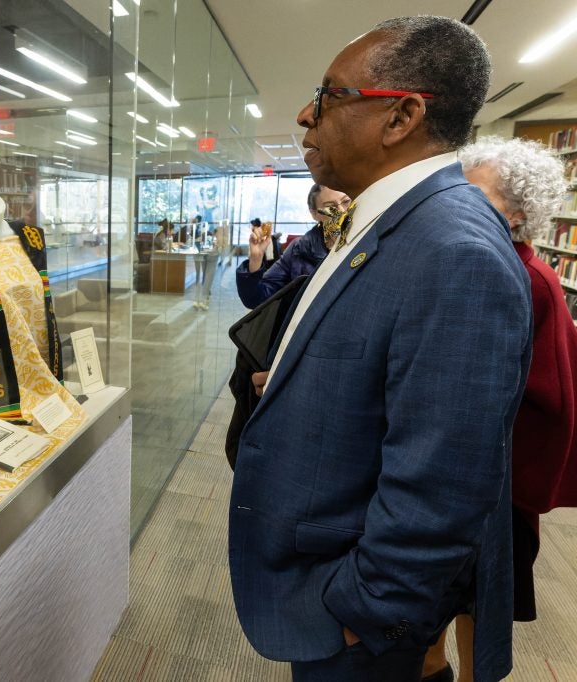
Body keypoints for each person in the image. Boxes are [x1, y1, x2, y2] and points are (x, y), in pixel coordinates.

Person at [228, 16, 532, 682]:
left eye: (330, 95)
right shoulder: (388, 221)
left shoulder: (454, 251)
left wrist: (364, 620)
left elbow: (444, 488)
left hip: (356, 625)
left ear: (401, 117)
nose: (307, 114)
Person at [420, 136, 577, 682]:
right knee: (452, 604)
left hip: (493, 484)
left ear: (516, 213)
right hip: (487, 474)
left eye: (474, 194)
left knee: (471, 602)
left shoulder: (519, 277)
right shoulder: (509, 265)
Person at [236, 185, 351, 308]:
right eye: (330, 206)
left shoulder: (368, 241)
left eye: (346, 202)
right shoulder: (300, 249)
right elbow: (257, 299)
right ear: (315, 214)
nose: (342, 211)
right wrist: (255, 260)